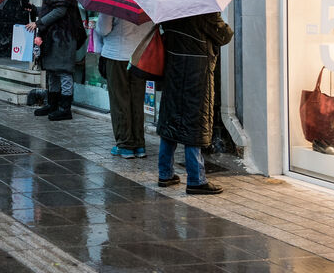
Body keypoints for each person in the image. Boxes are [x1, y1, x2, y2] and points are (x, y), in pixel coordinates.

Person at [157, 12, 233, 195]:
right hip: (196, 73)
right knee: (194, 121)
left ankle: (165, 174)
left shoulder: (170, 7)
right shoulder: (204, 9)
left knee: (171, 120)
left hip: (173, 70)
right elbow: (225, 35)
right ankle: (195, 180)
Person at [26, 0, 86, 121]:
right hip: (53, 35)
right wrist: (36, 9)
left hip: (63, 35)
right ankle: (53, 104)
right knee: (52, 71)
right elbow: (52, 8)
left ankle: (65, 108)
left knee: (63, 71)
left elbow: (60, 10)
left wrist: (38, 23)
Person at [96, 13, 153, 159]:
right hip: (140, 57)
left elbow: (103, 29)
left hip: (117, 55)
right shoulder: (147, 0)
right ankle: (139, 144)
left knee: (119, 100)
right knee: (137, 100)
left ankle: (125, 144)